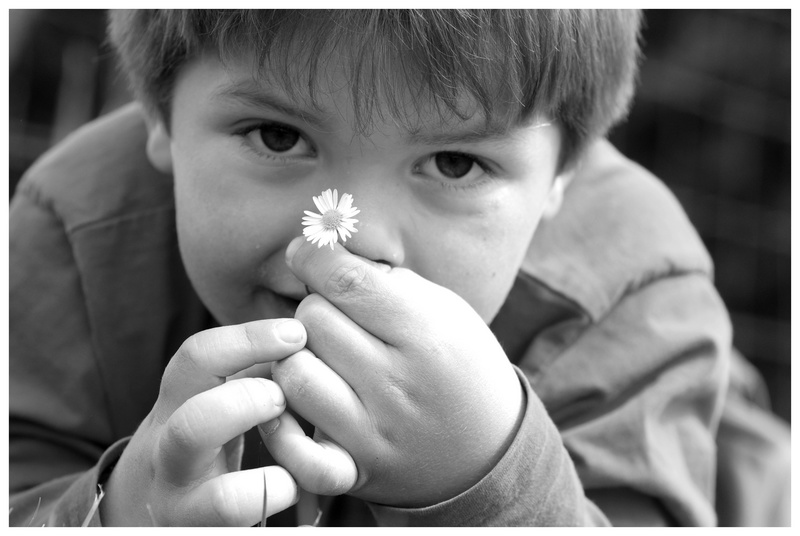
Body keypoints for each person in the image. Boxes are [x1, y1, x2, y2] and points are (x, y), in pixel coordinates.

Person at [7, 9, 773, 527]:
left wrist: (488, 482)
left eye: (454, 162)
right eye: (278, 137)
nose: (350, 243)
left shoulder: (636, 294)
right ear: (160, 116)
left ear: (560, 178)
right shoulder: (75, 227)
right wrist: (114, 514)